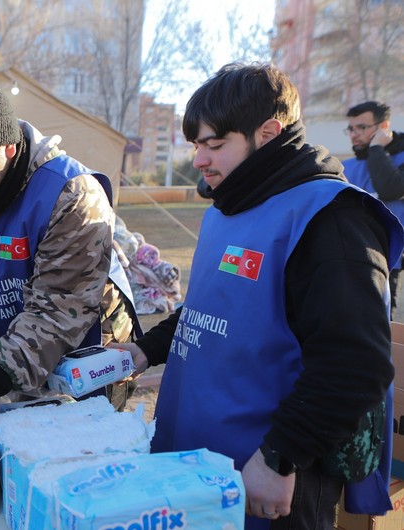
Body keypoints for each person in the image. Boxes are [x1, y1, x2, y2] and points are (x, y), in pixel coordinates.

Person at [118, 63, 403, 529]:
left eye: (214, 145)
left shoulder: (332, 221)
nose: (200, 160)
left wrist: (279, 456)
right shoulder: (232, 201)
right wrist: (144, 350)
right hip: (196, 459)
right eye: (195, 145)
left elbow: (356, 362)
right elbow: (214, 309)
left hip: (268, 475)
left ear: (268, 133)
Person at [0, 74, 138, 458]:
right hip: (13, 345)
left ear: (9, 146)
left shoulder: (71, 194)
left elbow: (57, 313)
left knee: (71, 462)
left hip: (85, 351)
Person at [342, 101, 404, 315]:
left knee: (381, 321)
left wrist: (377, 147)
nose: (354, 134)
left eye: (362, 127)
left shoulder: (401, 159)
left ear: (383, 127)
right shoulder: (345, 167)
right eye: (351, 128)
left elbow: (390, 189)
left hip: (386, 259)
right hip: (344, 253)